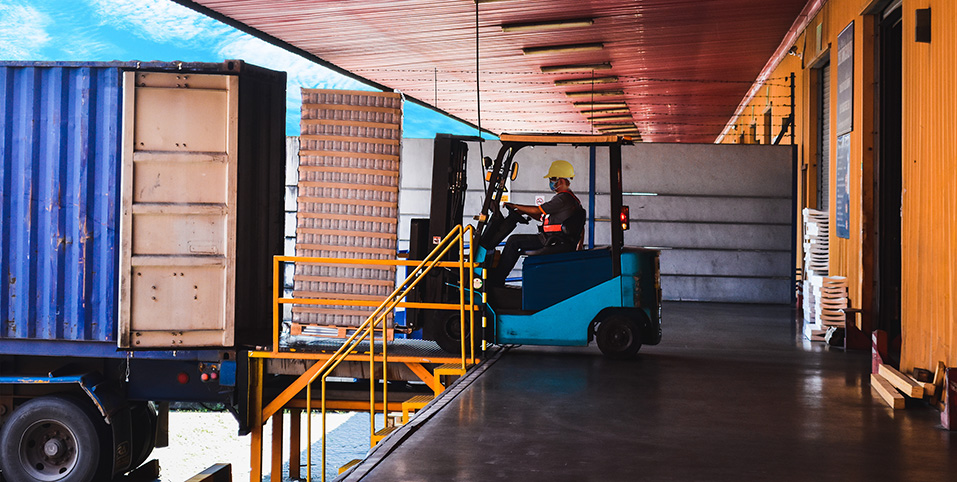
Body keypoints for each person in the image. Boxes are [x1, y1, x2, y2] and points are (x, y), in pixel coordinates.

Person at [488, 159, 585, 287]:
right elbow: (540, 216)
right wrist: (522, 212)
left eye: (552, 179)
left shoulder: (563, 198)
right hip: (556, 240)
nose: (551, 182)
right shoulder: (569, 199)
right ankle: (498, 277)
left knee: (513, 241)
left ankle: (496, 279)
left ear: (561, 180)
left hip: (552, 241)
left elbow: (537, 209)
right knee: (516, 243)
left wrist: (516, 205)